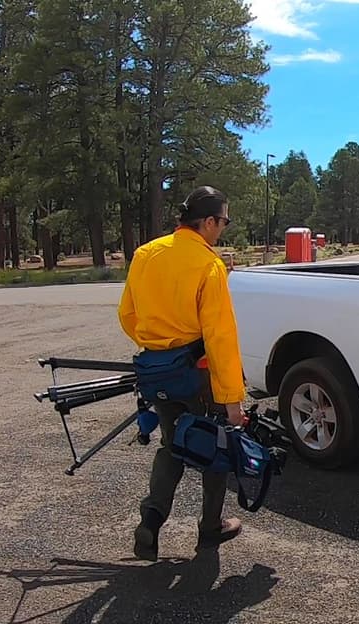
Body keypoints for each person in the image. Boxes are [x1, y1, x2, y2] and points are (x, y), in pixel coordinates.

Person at [118, 185, 246, 561]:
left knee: (171, 444)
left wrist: (158, 344)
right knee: (215, 446)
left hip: (156, 371)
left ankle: (151, 522)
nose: (222, 229)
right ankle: (210, 528)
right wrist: (232, 399)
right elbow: (221, 338)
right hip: (197, 374)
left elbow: (127, 314)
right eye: (222, 222)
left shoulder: (146, 254)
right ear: (207, 221)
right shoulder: (209, 265)